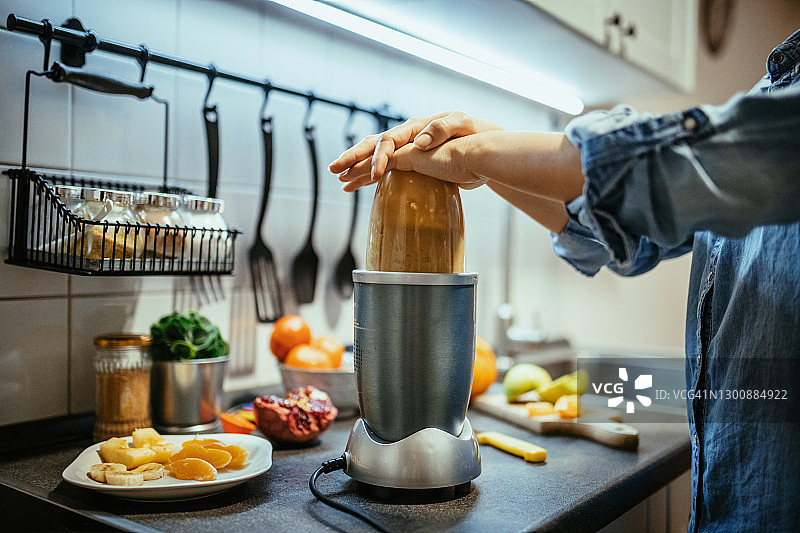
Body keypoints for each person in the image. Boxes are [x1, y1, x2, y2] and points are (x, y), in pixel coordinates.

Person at [329, 29, 800, 533]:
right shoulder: (771, 89)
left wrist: (477, 153)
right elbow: (628, 232)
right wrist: (486, 153)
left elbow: (670, 170)